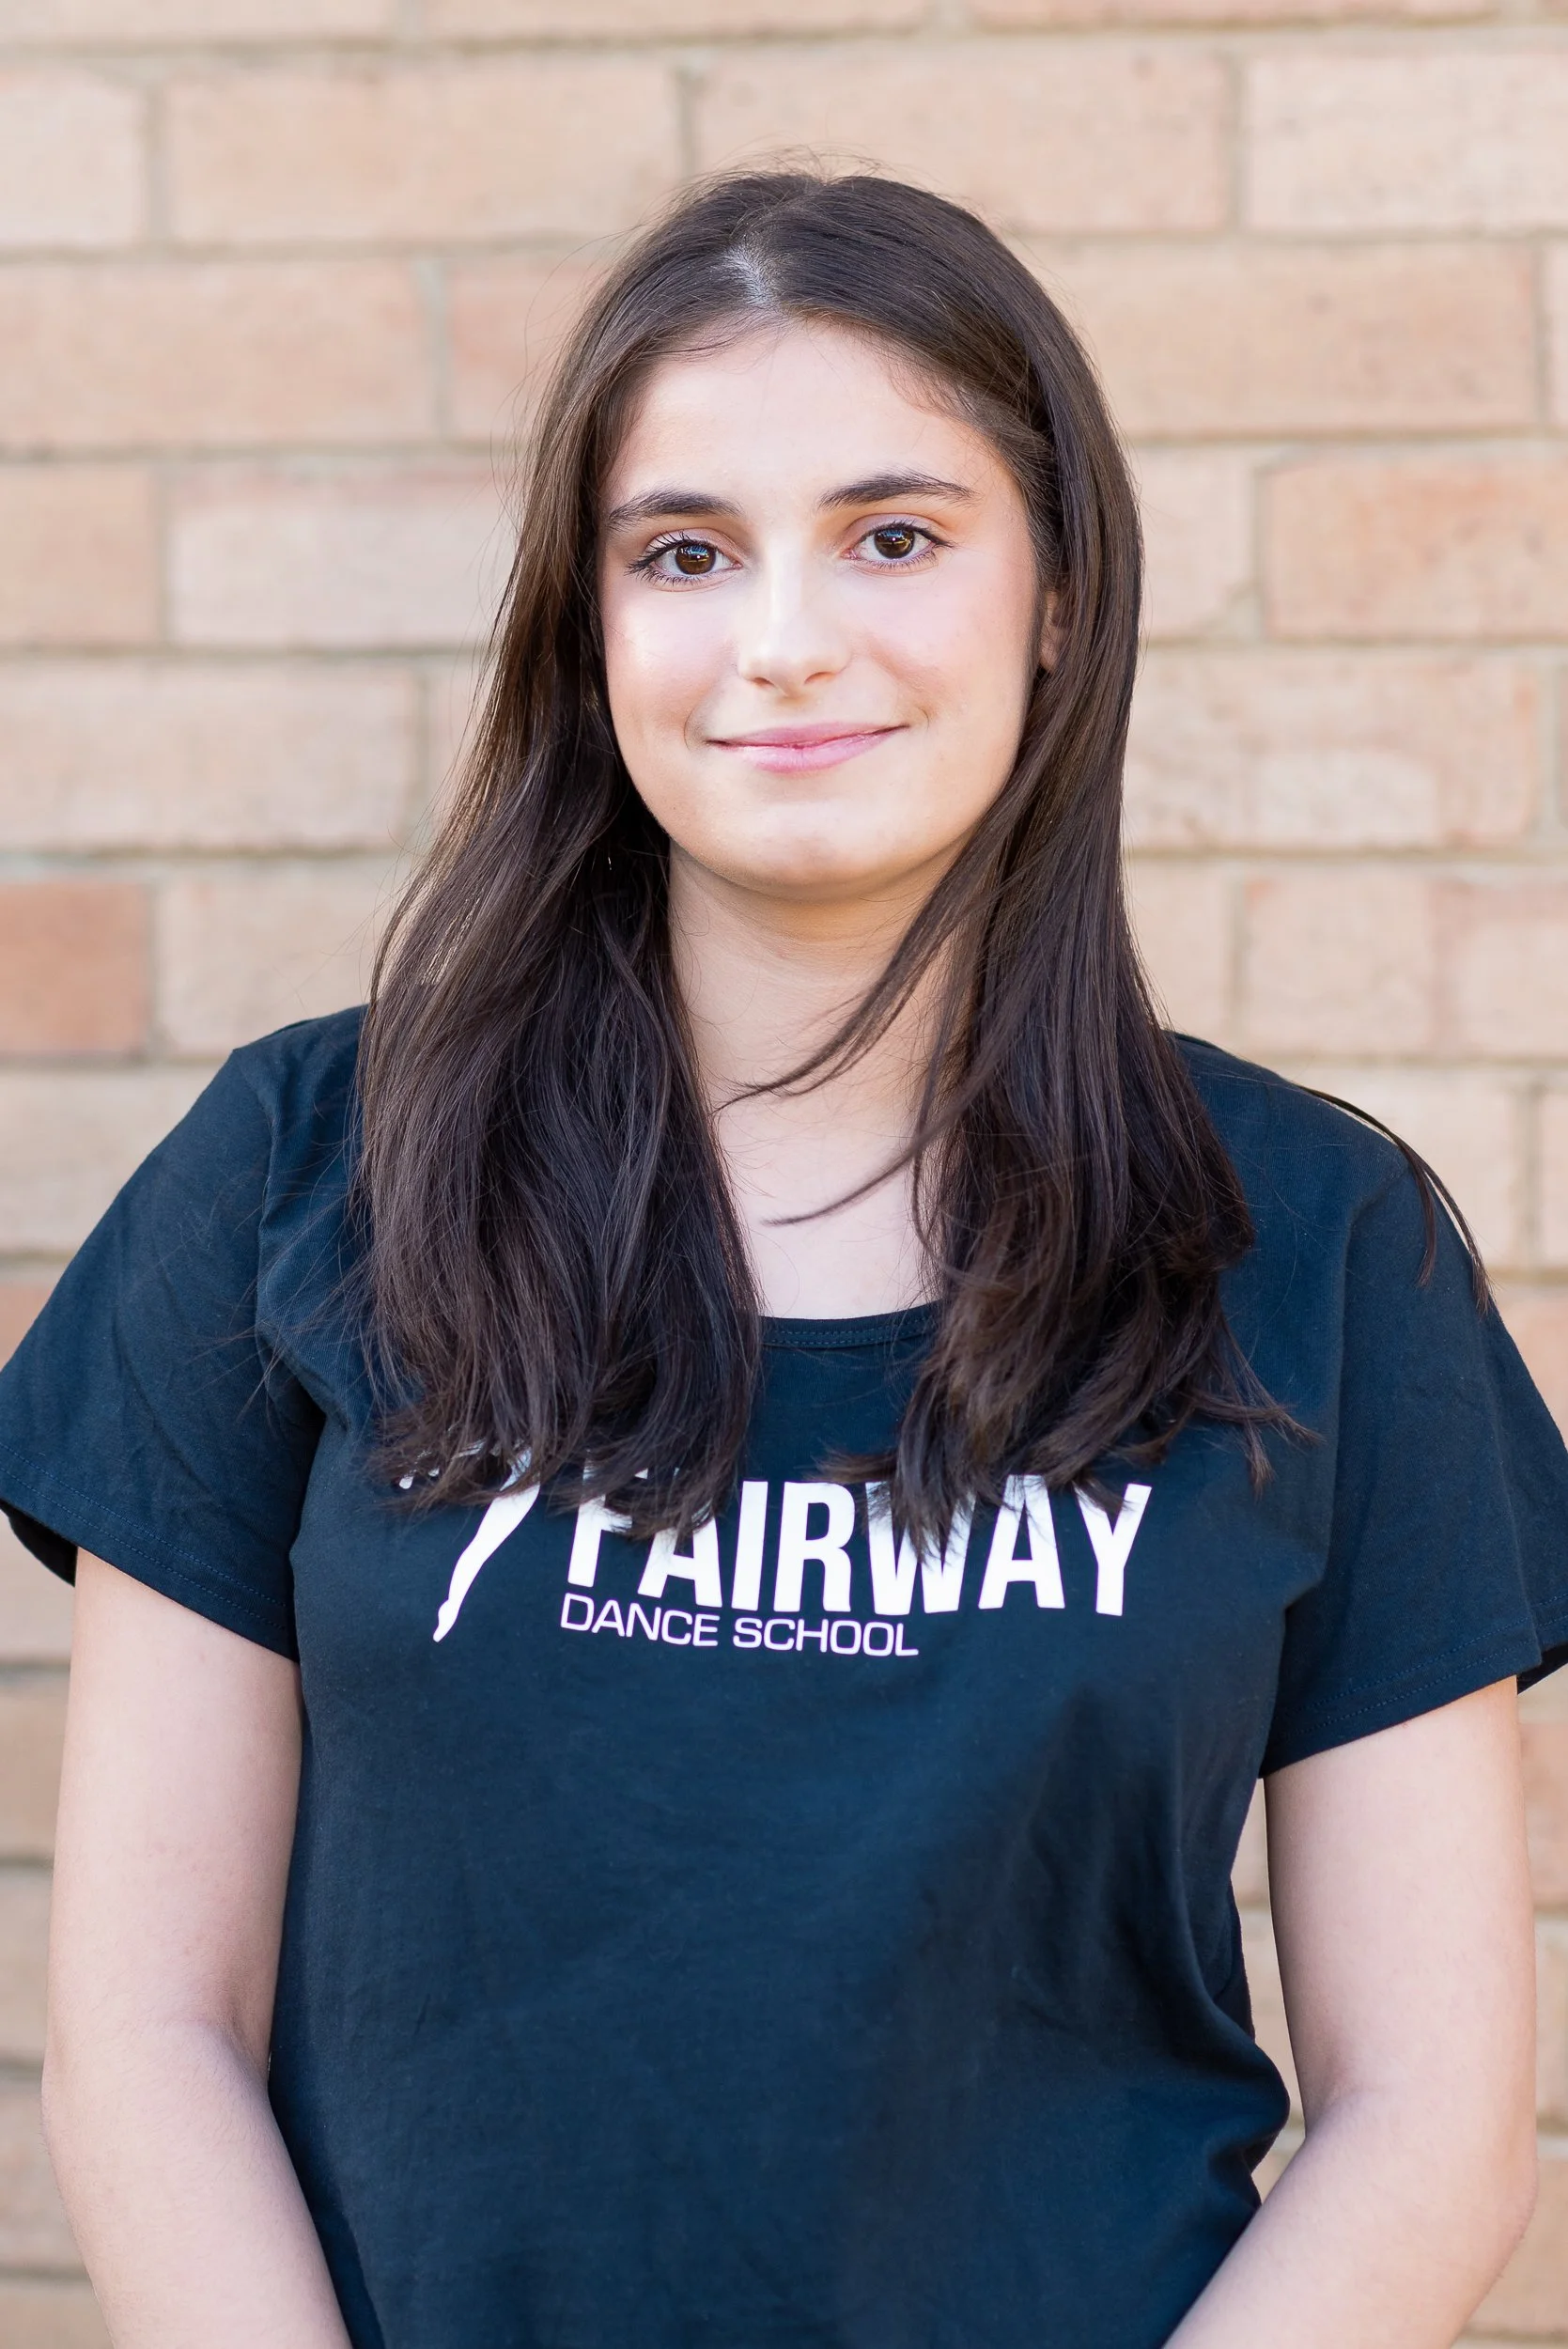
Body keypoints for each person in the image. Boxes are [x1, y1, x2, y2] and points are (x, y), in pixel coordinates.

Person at [0, 168, 1563, 2349]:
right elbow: (150, 2029)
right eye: (685, 552)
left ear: (1058, 593)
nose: (786, 638)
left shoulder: (1312, 1246)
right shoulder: (299, 1175)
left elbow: (1434, 2115)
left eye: (894, 535)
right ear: (590, 628)